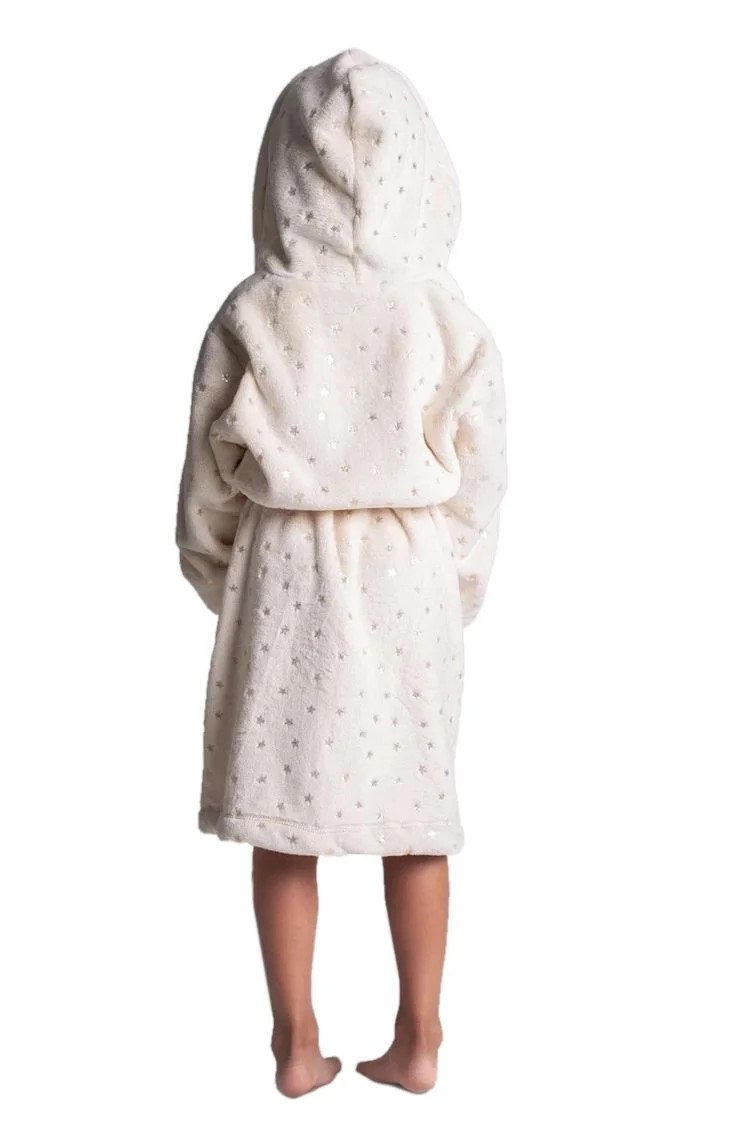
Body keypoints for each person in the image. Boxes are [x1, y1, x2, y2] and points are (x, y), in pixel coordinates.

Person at [176, 48, 507, 1096]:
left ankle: (296, 1043)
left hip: (284, 576)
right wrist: (455, 586)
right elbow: (480, 479)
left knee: (284, 821)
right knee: (415, 819)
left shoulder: (253, 311)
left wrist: (221, 580)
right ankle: (420, 1039)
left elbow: (206, 487)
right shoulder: (446, 315)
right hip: (409, 574)